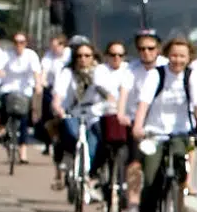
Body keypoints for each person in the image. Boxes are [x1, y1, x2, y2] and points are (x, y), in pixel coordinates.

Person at [131, 37, 197, 212]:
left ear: (189, 58)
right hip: (155, 132)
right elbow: (144, 103)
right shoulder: (156, 75)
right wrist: (138, 126)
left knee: (179, 166)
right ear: (167, 55)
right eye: (174, 55)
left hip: (180, 132)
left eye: (182, 56)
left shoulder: (191, 77)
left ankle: (177, 199)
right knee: (150, 179)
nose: (177, 60)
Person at [116, 31, 167, 212]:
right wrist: (121, 113)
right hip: (138, 124)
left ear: (158, 50)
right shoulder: (131, 69)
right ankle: (134, 205)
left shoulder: (166, 67)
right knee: (135, 164)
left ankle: (177, 201)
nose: (146, 53)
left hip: (161, 126)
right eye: (142, 49)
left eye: (150, 48)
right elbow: (124, 92)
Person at [50, 37, 104, 198]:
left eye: (87, 56)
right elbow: (58, 95)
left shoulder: (100, 72)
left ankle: (91, 177)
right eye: (80, 56)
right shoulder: (67, 73)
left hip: (94, 114)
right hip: (72, 112)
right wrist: (58, 107)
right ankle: (68, 161)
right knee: (71, 134)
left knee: (95, 144)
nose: (83, 59)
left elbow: (108, 92)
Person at [0, 32, 44, 166]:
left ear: (26, 43)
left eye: (22, 42)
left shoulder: (31, 55)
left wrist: (38, 84)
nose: (19, 45)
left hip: (24, 90)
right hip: (8, 88)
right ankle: (2, 129)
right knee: (5, 106)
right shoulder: (6, 54)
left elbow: (36, 71)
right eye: (16, 42)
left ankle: (23, 152)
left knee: (23, 119)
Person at [94, 41, 132, 190]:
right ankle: (96, 172)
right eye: (113, 55)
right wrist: (111, 98)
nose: (116, 58)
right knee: (102, 144)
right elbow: (99, 87)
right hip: (103, 113)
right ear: (106, 56)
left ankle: (123, 181)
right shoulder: (101, 69)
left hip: (123, 115)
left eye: (120, 55)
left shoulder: (128, 70)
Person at [40, 33, 69, 154]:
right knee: (47, 117)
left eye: (56, 46)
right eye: (52, 46)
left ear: (62, 45)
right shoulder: (48, 56)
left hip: (66, 91)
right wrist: (42, 81)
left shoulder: (69, 55)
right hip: (51, 89)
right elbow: (44, 72)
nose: (53, 48)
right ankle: (48, 143)